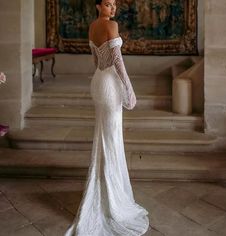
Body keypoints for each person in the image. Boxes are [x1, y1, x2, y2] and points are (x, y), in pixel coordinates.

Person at [64, 0, 149, 235]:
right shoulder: (112, 26)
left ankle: (105, 191)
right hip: (110, 83)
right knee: (111, 138)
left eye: (114, 5)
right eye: (109, 4)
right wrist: (129, 89)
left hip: (98, 82)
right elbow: (118, 61)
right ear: (98, 5)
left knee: (104, 136)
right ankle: (111, 200)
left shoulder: (92, 27)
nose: (113, 9)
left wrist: (103, 79)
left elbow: (95, 60)